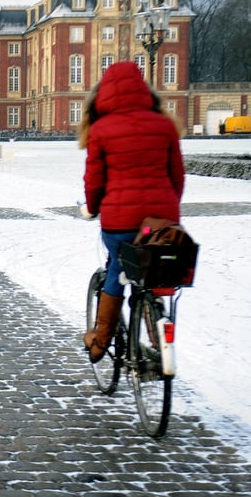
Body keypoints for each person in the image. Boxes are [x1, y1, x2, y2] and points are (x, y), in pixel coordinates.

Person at [77, 61, 185, 363]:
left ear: (104, 94)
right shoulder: (164, 124)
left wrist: (94, 207)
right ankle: (156, 332)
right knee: (153, 270)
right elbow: (177, 176)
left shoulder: (100, 129)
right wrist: (168, 210)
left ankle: (101, 339)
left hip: (120, 222)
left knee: (116, 267)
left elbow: (94, 181)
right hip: (161, 222)